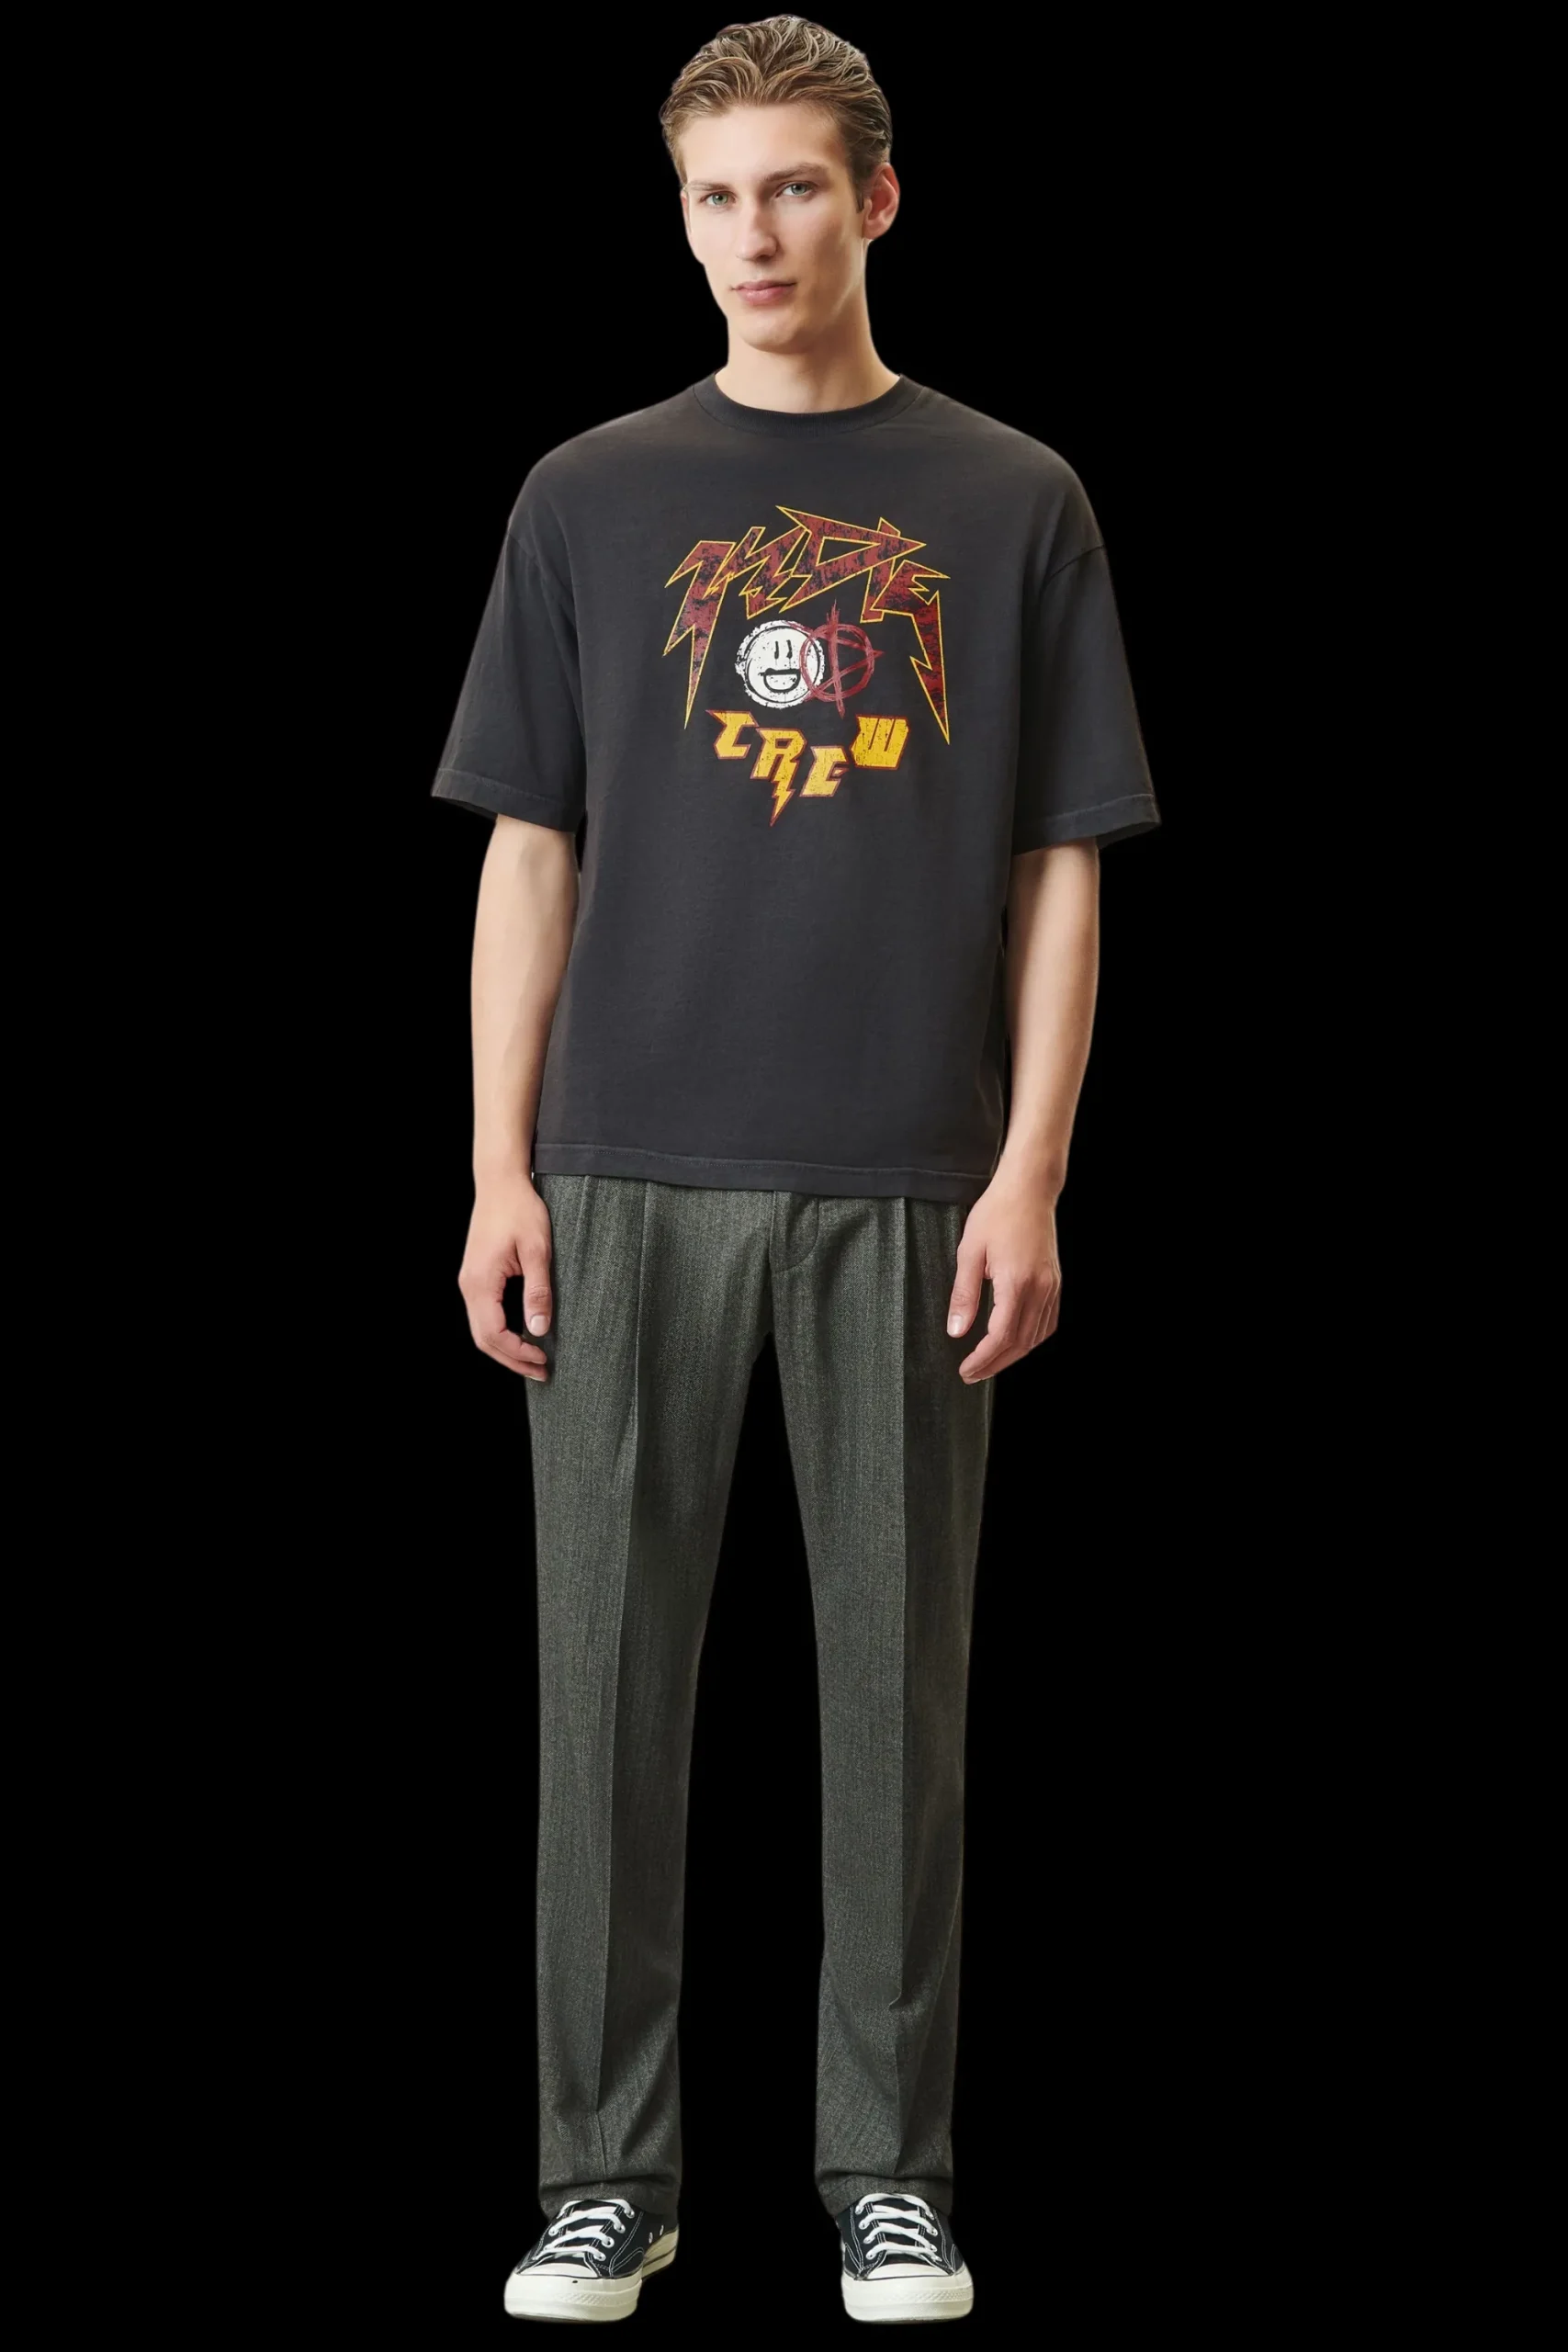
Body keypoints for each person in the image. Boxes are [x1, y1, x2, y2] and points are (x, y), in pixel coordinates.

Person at [432, 14, 1160, 2325]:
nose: (753, 234)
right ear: (681, 216)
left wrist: (1031, 1170)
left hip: (906, 1173)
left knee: (899, 1700)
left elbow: (1060, 862)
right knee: (601, 1690)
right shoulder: (587, 493)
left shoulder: (1012, 496)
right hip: (623, 1162)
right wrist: (498, 1165)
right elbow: (529, 849)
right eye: (713, 195)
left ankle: (887, 2167)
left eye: (794, 188)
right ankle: (605, 2170)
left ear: (879, 198)